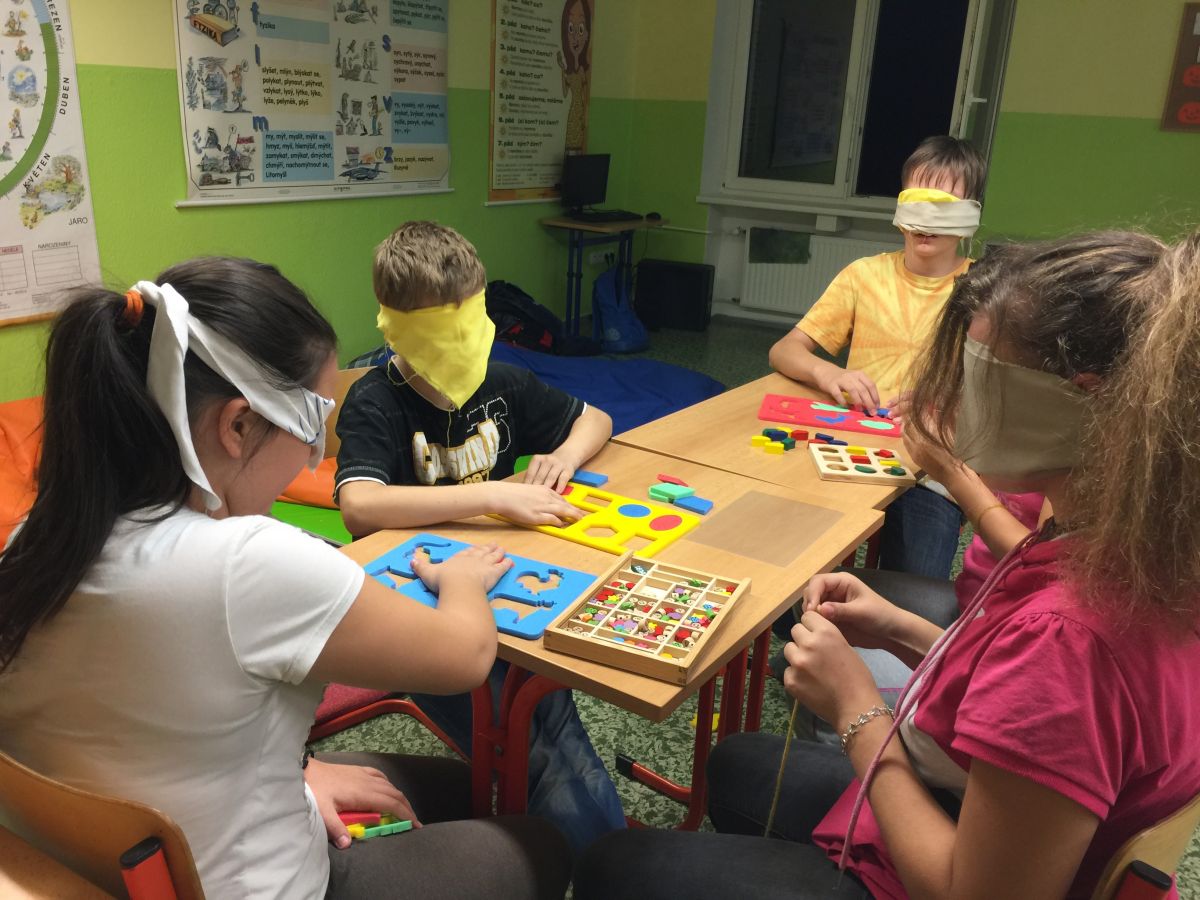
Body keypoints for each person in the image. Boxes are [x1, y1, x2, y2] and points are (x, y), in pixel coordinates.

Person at [575, 231, 1200, 899]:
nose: (945, 398)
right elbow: (1017, 700)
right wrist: (898, 628)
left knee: (615, 864)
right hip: (978, 799)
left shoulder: (1071, 639)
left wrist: (856, 707)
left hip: (949, 869)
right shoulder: (1135, 544)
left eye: (977, 375)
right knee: (735, 764)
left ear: (1083, 403)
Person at [0, 258, 571, 900]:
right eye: (310, 428)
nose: (311, 458)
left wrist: (300, 773)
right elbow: (465, 657)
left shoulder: (37, 539)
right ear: (239, 425)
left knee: (456, 787)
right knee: (539, 843)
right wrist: (462, 578)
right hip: (247, 883)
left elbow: (131, 718)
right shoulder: (248, 561)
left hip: (94, 866)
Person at [335, 221, 623, 852]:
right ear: (397, 328)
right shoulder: (377, 400)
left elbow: (595, 419)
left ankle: (603, 856)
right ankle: (581, 859)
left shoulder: (503, 383)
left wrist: (563, 457)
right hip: (415, 617)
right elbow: (359, 506)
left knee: (550, 714)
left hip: (501, 591)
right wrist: (492, 494)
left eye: (473, 321)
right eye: (446, 331)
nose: (466, 344)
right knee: (531, 745)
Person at [769, 136, 987, 579]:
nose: (926, 221)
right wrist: (827, 372)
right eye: (916, 202)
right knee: (792, 560)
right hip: (849, 450)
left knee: (916, 588)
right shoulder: (863, 275)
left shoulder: (983, 290)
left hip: (932, 469)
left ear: (970, 214)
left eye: (943, 206)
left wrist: (947, 402)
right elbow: (784, 350)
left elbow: (1003, 391)